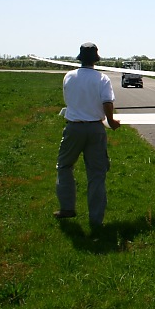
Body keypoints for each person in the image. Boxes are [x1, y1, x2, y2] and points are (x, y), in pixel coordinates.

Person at [53, 42, 120, 228]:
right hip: (95, 129)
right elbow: (107, 102)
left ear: (80, 58)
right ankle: (96, 220)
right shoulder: (102, 79)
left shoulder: (69, 76)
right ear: (96, 60)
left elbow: (68, 99)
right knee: (96, 175)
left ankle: (67, 208)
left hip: (73, 128)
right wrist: (112, 121)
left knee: (64, 166)